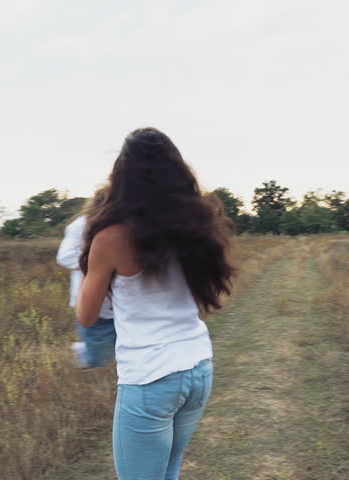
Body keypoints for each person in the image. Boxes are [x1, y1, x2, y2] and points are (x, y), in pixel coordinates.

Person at [76, 127, 235, 480]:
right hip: (197, 367)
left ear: (122, 177)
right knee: (168, 473)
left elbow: (86, 315)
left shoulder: (111, 238)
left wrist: (89, 266)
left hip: (150, 376)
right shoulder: (197, 226)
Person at [56, 215, 116, 368]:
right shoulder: (80, 225)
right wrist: (102, 259)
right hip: (93, 300)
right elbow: (65, 257)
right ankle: (84, 352)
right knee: (97, 359)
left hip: (123, 299)